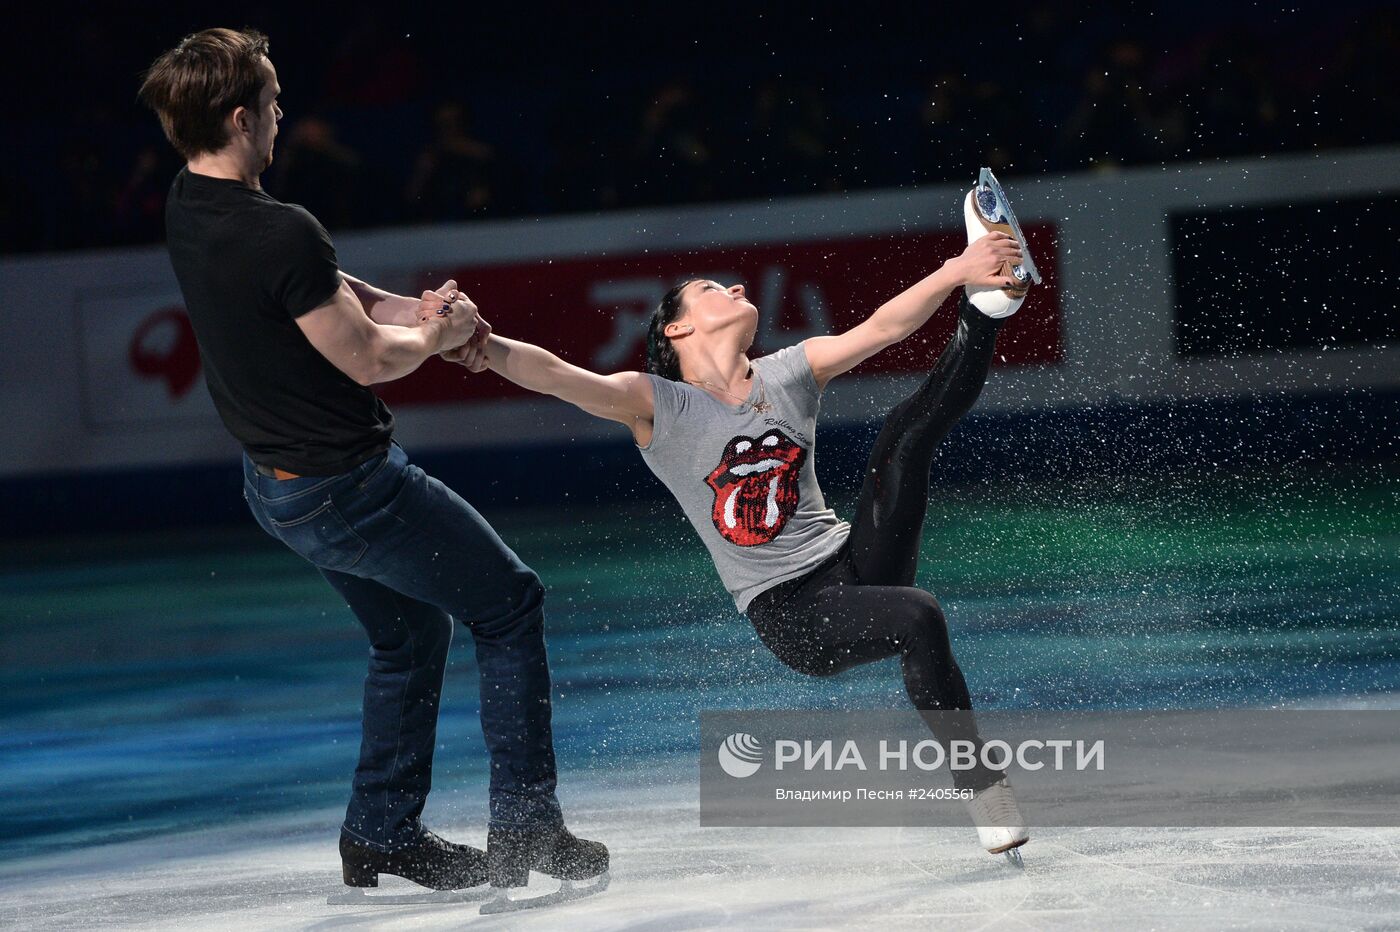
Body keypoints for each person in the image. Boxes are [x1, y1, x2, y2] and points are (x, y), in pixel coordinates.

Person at [138, 27, 606, 902]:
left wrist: (420, 311)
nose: (283, 116)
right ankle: (528, 820)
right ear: (242, 117)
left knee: (409, 633)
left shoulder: (189, 204)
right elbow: (367, 358)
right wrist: (434, 335)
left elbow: (327, 292)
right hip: (348, 488)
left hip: (275, 489)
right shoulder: (281, 230)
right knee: (510, 604)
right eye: (274, 104)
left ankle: (380, 831)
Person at [437, 189, 1035, 860]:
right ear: (677, 330)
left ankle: (988, 309)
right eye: (711, 288)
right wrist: (481, 344)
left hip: (853, 563)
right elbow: (557, 376)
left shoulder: (787, 373)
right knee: (919, 615)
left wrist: (961, 271)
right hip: (794, 615)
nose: (736, 286)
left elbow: (883, 328)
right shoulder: (658, 405)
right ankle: (985, 790)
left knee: (903, 438)